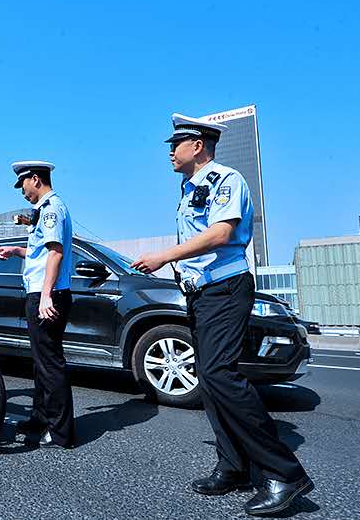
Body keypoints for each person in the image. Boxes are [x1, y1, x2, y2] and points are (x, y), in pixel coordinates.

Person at [131, 114, 312, 516]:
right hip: (203, 293)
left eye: (175, 144)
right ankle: (233, 466)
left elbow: (221, 233)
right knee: (210, 382)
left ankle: (284, 473)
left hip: (226, 289)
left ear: (198, 146)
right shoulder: (188, 187)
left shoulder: (225, 180)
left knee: (220, 376)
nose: (170, 152)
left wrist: (165, 256)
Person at [0, 160, 75, 449]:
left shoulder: (52, 209)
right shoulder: (42, 211)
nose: (22, 191)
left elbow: (55, 253)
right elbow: (41, 251)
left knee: (50, 364)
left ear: (35, 179)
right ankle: (40, 418)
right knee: (41, 363)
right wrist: (17, 250)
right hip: (39, 291)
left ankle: (62, 433)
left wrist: (46, 295)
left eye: (23, 185)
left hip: (45, 294)